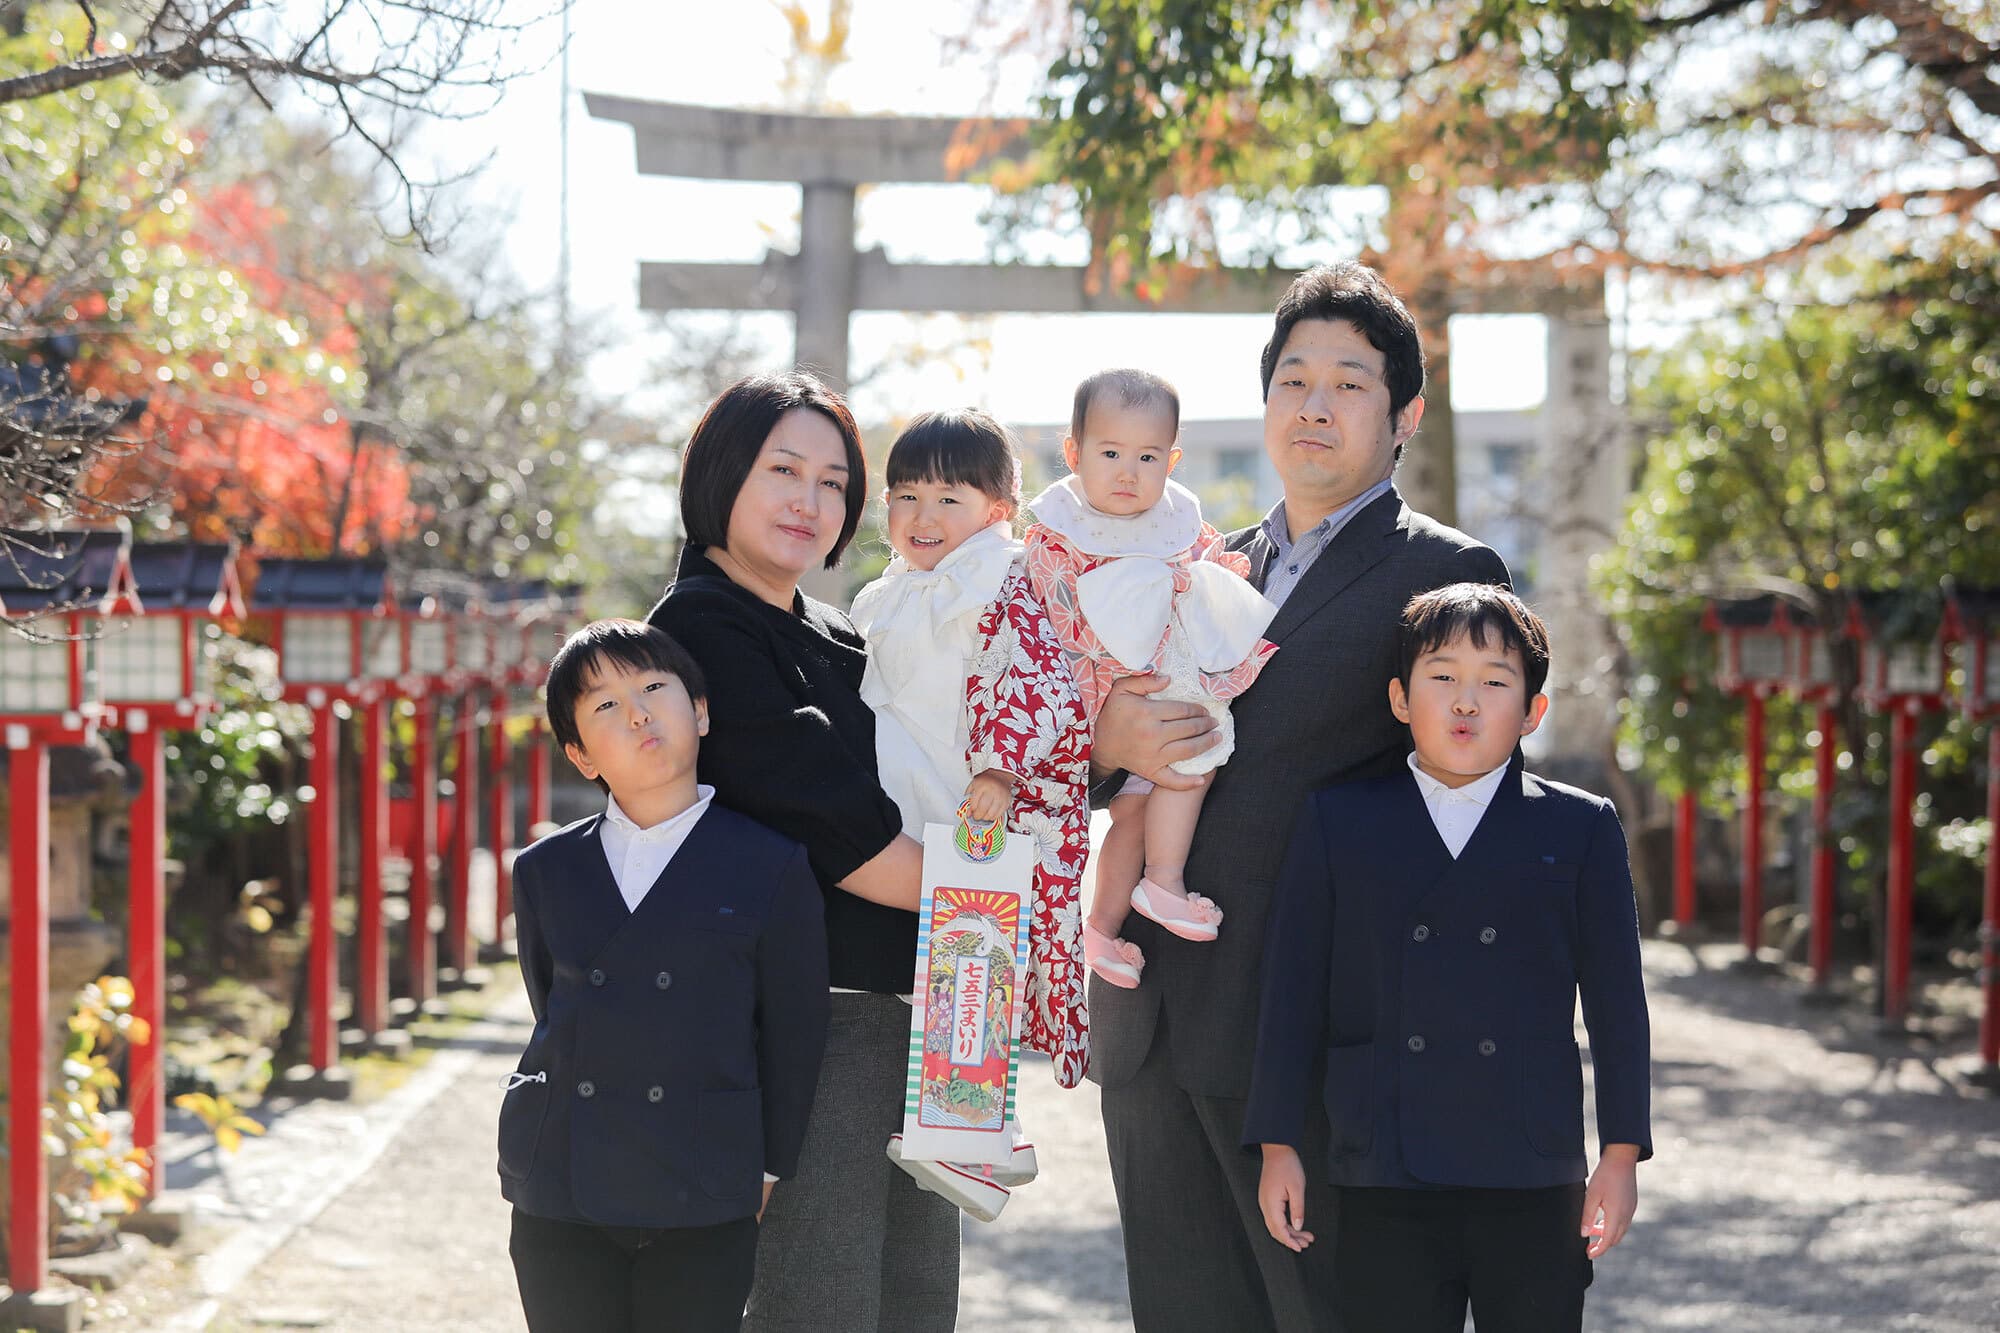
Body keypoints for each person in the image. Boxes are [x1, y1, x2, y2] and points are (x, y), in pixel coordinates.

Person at [1084, 261, 1512, 1332]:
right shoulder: (1197, 561)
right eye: (1291, 380)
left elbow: (1467, 808)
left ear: (1403, 412)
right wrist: (1107, 735)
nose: (1313, 405)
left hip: (1311, 1047)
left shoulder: (1447, 573)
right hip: (1149, 1023)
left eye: (1348, 383)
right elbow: (1095, 750)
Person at [1246, 583, 1653, 1332]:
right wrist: (1278, 1143)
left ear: (1533, 710)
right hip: (1383, 1160)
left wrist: (1621, 1154)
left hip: (1532, 1162)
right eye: (1443, 677)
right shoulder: (1339, 819)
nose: (1466, 702)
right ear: (1401, 698)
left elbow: (1618, 1006)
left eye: (1495, 681)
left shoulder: (1581, 825)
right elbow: (1291, 989)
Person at [645, 372, 956, 1331]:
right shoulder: (698, 629)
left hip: (917, 1014)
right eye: (784, 469)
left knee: (913, 1303)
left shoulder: (841, 631)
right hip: (803, 1026)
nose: (810, 501)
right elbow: (857, 844)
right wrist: (1010, 886)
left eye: (832, 482)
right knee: (816, 1303)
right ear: (721, 474)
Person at [500, 619, 830, 1333]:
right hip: (562, 1182)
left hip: (704, 1177)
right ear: (581, 755)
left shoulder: (771, 863)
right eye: (605, 705)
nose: (639, 712)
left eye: (654, 686)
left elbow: (793, 1033)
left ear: (701, 710)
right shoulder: (544, 870)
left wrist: (767, 1167)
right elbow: (550, 1004)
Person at [847, 409, 1094, 1218]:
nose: (923, 516)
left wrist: (1000, 768)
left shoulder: (1008, 576)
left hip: (976, 802)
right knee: (947, 980)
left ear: (999, 510)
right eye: (905, 494)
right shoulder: (883, 593)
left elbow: (1042, 678)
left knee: (973, 969)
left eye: (949, 497)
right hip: (911, 804)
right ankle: (987, 1136)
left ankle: (983, 1136)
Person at [1022, 369, 1278, 987]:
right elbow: (1053, 608)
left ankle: (1101, 929)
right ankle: (1163, 882)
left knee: (1136, 810)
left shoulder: (1178, 520)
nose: (1128, 472)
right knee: (1192, 764)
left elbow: (1203, 561)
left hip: (1168, 672)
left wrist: (1213, 571)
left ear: (1174, 460)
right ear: (1074, 453)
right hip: (1099, 681)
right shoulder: (1059, 530)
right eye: (1109, 454)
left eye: (1148, 456)